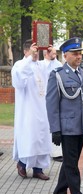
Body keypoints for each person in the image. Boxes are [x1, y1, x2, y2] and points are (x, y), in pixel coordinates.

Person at [46, 37, 83, 194]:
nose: (79, 56)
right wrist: (56, 129)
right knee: (72, 165)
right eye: (75, 53)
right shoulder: (57, 75)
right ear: (66, 55)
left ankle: (59, 192)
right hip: (67, 127)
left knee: (71, 163)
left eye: (80, 53)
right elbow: (52, 104)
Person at [11, 39, 52, 180]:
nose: (35, 54)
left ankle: (38, 169)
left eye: (37, 51)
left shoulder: (41, 66)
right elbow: (19, 80)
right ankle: (22, 164)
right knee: (29, 138)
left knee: (41, 138)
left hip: (42, 109)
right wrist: (29, 59)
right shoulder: (20, 65)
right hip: (27, 110)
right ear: (25, 51)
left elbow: (54, 71)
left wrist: (50, 54)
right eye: (32, 50)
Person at [42, 47, 63, 163]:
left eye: (55, 52)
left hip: (55, 97)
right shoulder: (41, 65)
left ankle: (56, 152)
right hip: (41, 99)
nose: (55, 54)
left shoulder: (58, 64)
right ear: (46, 53)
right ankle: (44, 150)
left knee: (55, 124)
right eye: (52, 52)